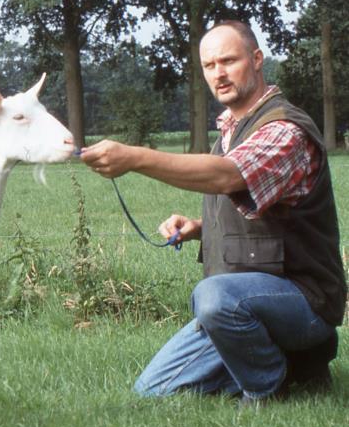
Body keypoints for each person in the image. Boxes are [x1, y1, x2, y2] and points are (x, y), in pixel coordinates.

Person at [80, 20, 346, 406]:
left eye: (228, 60)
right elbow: (265, 213)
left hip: (305, 303)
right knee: (153, 392)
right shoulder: (230, 129)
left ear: (256, 59)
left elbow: (229, 176)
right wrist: (199, 228)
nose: (218, 73)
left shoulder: (284, 130)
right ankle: (296, 369)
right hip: (251, 303)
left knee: (214, 297)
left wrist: (134, 157)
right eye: (209, 65)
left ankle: (266, 389)